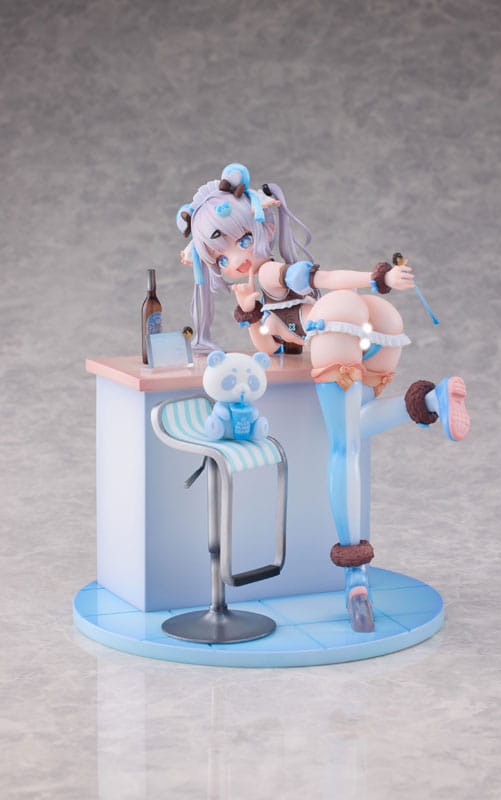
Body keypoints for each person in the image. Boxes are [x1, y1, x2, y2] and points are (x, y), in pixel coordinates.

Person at [178, 163, 470, 632]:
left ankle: (355, 577)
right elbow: (271, 345)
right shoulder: (260, 293)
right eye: (222, 255)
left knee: (343, 448)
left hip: (341, 317)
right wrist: (250, 312)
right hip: (376, 325)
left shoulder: (270, 272)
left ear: (261, 230)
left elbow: (325, 277)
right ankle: (431, 400)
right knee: (358, 424)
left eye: (244, 240)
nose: (238, 258)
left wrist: (377, 278)